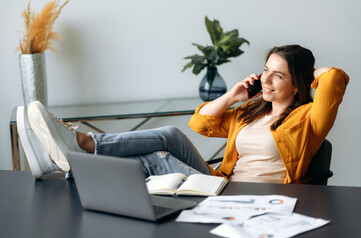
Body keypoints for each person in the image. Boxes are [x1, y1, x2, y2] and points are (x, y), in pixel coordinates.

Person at [22, 44, 349, 183]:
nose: (266, 78)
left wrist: (312, 71)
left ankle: (79, 147)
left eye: (278, 75)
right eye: (265, 70)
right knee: (169, 139)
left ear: (297, 85)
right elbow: (200, 124)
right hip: (220, 184)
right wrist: (233, 95)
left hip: (251, 199)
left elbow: (335, 79)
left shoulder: (309, 120)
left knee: (158, 156)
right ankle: (68, 155)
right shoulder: (248, 113)